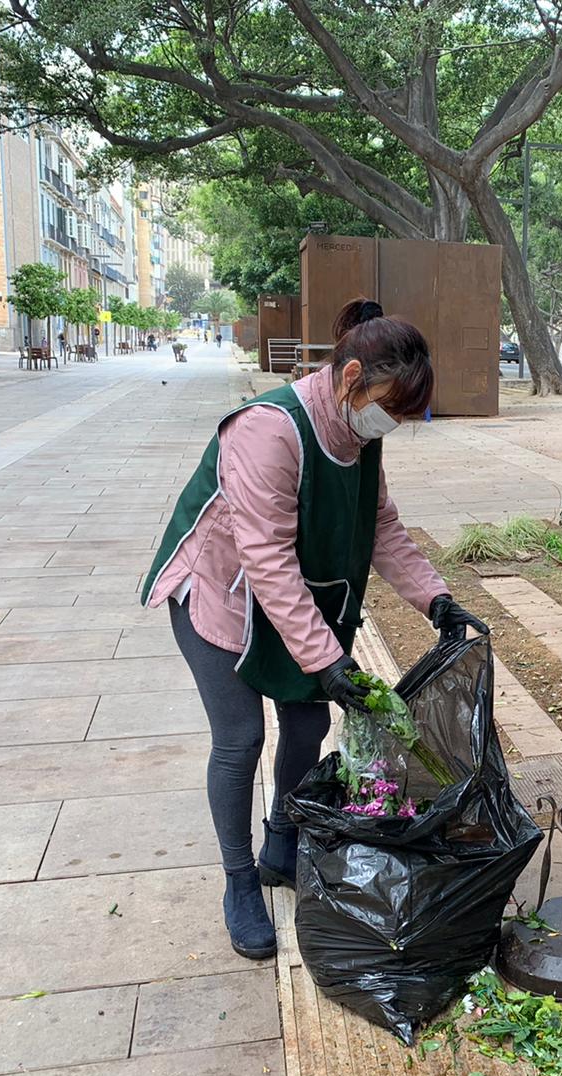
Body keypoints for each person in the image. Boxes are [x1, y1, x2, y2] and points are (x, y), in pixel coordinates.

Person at [141, 298, 486, 961]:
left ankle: (281, 843)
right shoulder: (269, 430)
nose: (392, 423)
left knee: (305, 724)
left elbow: (381, 526)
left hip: (297, 604)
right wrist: (328, 661)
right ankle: (239, 884)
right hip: (223, 598)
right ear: (352, 377)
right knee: (240, 738)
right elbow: (266, 560)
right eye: (390, 406)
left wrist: (436, 601)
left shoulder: (361, 434)